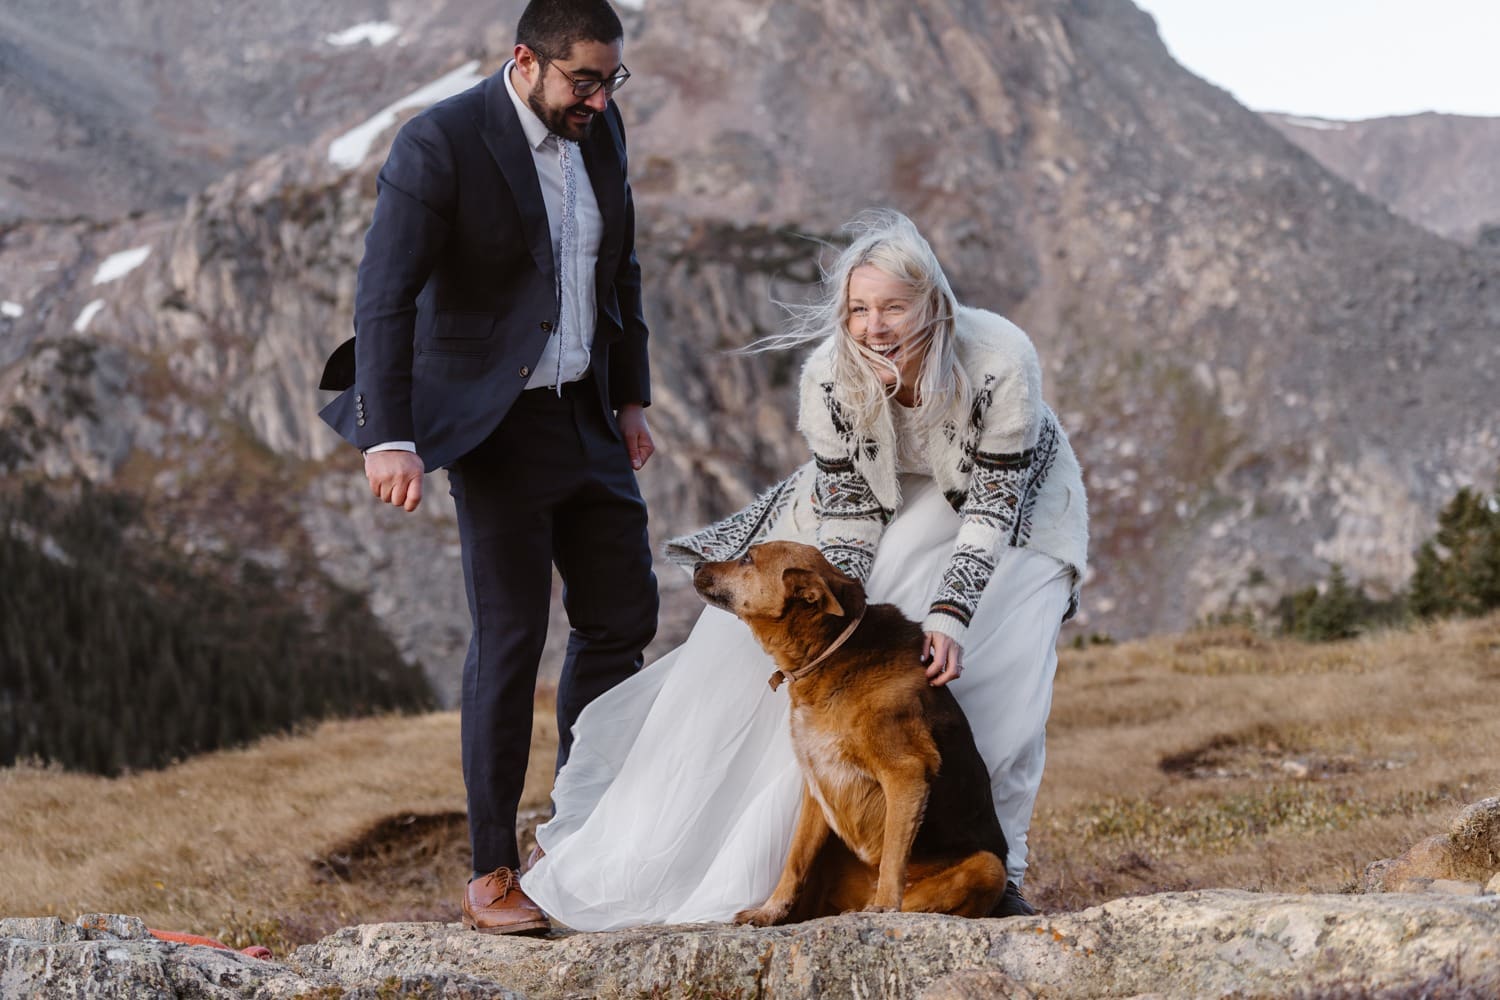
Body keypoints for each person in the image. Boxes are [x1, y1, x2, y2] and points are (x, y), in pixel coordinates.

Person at [521, 210, 1089, 930]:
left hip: (1014, 501)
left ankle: (1000, 867)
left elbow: (989, 509)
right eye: (859, 309)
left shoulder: (1001, 359)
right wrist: (828, 637)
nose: (874, 325)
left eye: (892, 307)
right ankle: (732, 861)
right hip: (885, 490)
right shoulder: (831, 377)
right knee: (747, 645)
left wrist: (949, 617)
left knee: (995, 663)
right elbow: (848, 520)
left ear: (933, 305)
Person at [316, 0, 659, 935]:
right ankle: (491, 873)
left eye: (610, 78)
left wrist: (630, 398)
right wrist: (391, 437)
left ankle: (576, 826)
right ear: (526, 62)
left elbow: (617, 267)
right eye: (583, 80)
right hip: (493, 427)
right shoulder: (440, 142)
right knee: (510, 641)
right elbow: (384, 296)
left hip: (586, 414)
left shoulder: (601, 128)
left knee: (624, 619)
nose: (598, 97)